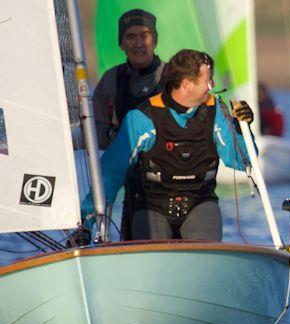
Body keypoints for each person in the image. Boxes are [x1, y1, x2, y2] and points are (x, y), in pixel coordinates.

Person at [81, 49, 255, 241]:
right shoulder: (142, 118)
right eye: (208, 80)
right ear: (188, 85)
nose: (212, 86)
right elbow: (110, 174)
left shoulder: (216, 113)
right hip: (152, 206)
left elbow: (242, 161)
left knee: (203, 241)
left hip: (200, 202)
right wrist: (87, 222)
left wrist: (241, 128)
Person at [92, 9, 166, 149]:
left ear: (155, 41)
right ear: (121, 44)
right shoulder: (110, 80)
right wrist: (118, 138)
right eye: (131, 37)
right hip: (126, 163)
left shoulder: (174, 76)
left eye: (145, 36)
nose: (138, 44)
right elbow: (95, 129)